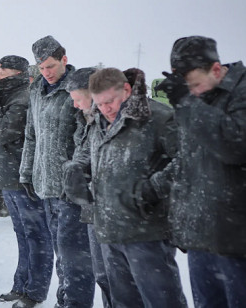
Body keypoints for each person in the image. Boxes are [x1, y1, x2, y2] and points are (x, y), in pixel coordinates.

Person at [73, 67, 186, 307]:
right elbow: (86, 155)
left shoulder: (158, 117)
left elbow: (188, 162)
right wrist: (76, 171)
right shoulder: (97, 119)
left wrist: (152, 189)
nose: (105, 109)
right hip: (108, 229)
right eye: (99, 103)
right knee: (124, 302)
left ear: (126, 90)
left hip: (147, 231)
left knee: (162, 300)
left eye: (110, 102)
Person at [156, 35, 246, 308]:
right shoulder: (194, 100)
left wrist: (186, 102)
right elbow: (188, 163)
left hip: (237, 239)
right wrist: (179, 219)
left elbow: (235, 145)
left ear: (216, 70)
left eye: (195, 85)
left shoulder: (240, 92)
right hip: (201, 236)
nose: (193, 93)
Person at [19, 35, 94, 308]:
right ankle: (64, 301)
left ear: (64, 59)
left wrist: (75, 180)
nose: (46, 73)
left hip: (70, 189)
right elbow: (31, 135)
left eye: (51, 66)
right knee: (60, 252)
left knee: (74, 256)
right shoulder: (37, 90)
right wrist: (27, 172)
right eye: (41, 68)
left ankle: (75, 303)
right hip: (45, 184)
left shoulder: (78, 90)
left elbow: (84, 141)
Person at [0, 55, 53, 308]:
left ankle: (35, 291)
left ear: (16, 73)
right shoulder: (6, 95)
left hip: (22, 178)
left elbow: (3, 132)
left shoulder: (22, 98)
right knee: (23, 234)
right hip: (8, 176)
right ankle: (21, 284)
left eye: (3, 70)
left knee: (36, 236)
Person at [62, 67, 113, 308]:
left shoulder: (115, 120)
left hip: (118, 213)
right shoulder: (91, 122)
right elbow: (85, 155)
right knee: (103, 275)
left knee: (119, 280)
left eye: (76, 99)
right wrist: (75, 171)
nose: (74, 105)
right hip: (95, 209)